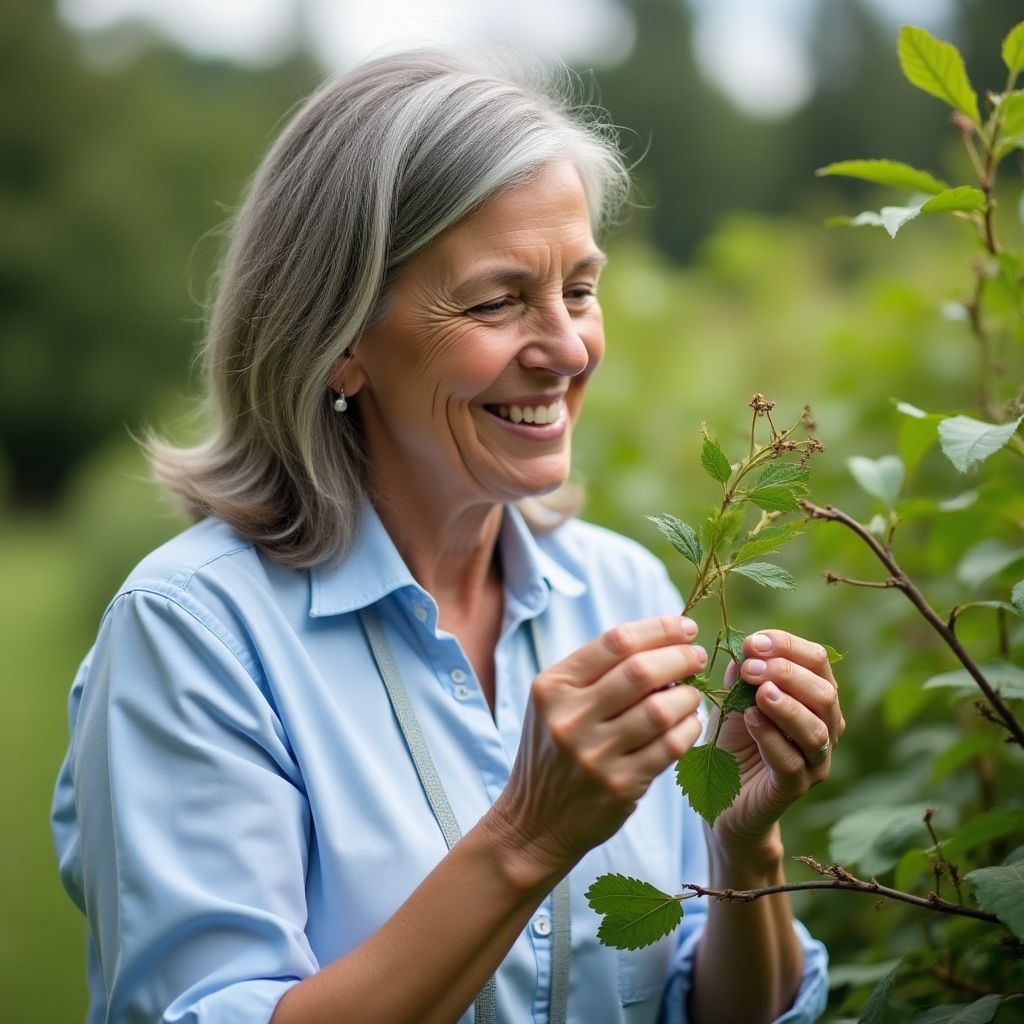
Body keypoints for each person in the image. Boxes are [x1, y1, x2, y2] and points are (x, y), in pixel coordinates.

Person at [52, 49, 843, 1024]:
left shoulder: (623, 589)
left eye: (580, 289)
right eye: (498, 300)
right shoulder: (194, 637)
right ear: (338, 340)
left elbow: (702, 1000)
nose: (566, 348)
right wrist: (525, 837)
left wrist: (742, 849)